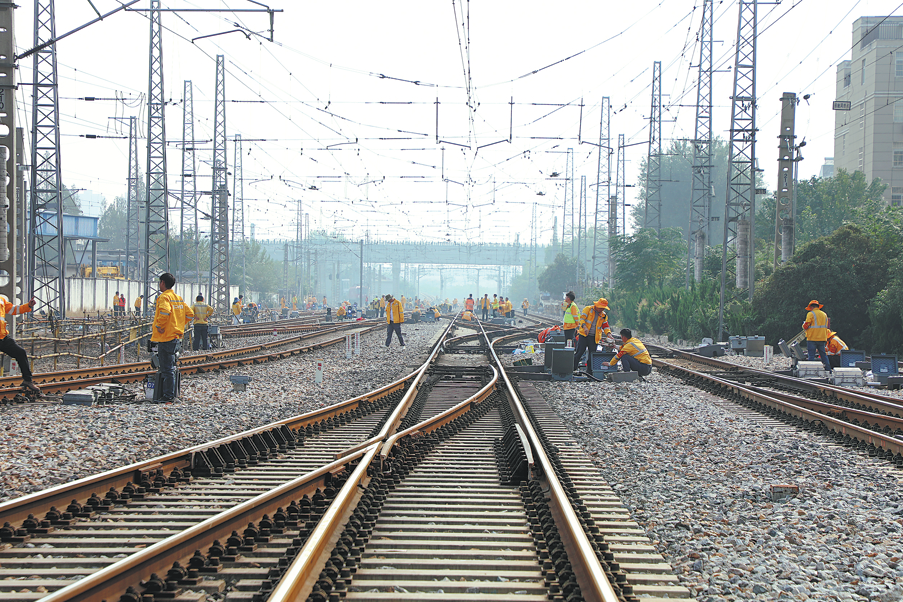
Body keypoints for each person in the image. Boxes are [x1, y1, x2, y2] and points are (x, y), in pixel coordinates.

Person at [152, 273, 194, 403]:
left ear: (163, 283)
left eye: (160, 282)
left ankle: (168, 396)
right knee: (171, 366)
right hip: (176, 337)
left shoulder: (164, 297)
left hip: (166, 337)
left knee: (166, 369)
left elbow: (165, 312)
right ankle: (171, 394)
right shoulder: (178, 298)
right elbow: (190, 314)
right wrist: (179, 324)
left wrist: (160, 326)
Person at [0, 293, 42, 395]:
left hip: (2, 337)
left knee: (20, 353)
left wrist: (28, 306)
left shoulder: (1, 299)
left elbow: (13, 309)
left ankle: (27, 380)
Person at [573, 298, 612, 375]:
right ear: (597, 305)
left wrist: (609, 334)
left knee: (592, 355)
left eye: (603, 308)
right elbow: (582, 319)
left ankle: (590, 372)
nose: (602, 309)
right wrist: (585, 327)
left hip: (594, 337)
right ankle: (573, 369)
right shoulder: (588, 309)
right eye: (601, 307)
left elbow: (605, 326)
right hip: (584, 335)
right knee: (579, 352)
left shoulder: (603, 315)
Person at [802, 299, 832, 371]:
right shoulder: (824, 314)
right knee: (823, 355)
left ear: (811, 307)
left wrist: (803, 325)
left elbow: (806, 325)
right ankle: (828, 370)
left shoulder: (811, 314)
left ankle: (811, 370)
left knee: (811, 355)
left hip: (812, 338)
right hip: (822, 338)